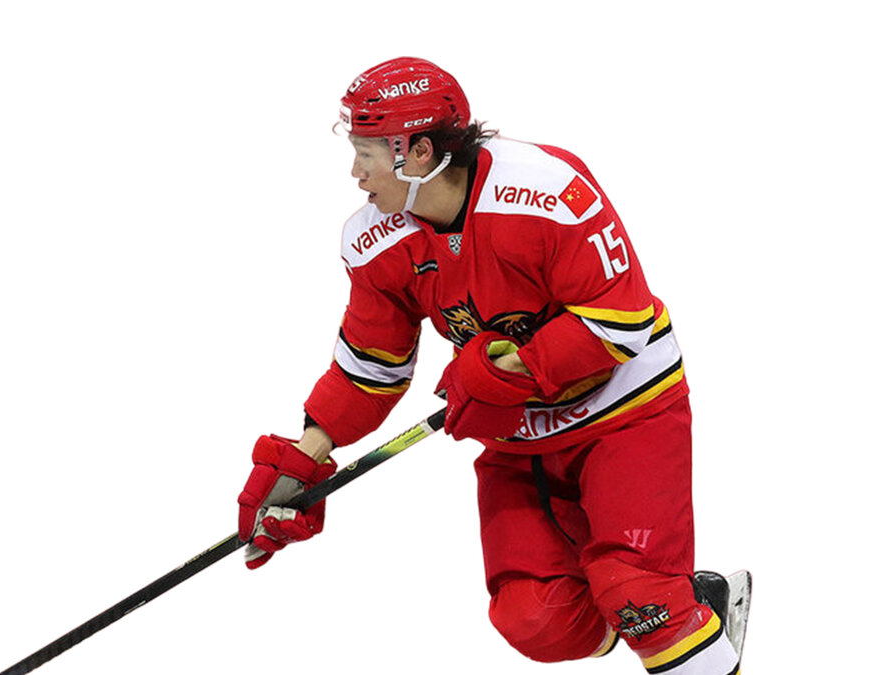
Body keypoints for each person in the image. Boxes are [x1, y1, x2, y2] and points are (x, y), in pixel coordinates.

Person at [236, 57, 749, 674]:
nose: (356, 173)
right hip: (519, 439)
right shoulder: (374, 242)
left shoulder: (546, 190)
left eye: (366, 154)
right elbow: (370, 367)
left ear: (418, 152)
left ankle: (672, 618)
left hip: (625, 413)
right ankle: (699, 610)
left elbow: (621, 321)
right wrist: (306, 459)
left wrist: (504, 373)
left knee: (641, 598)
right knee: (537, 620)